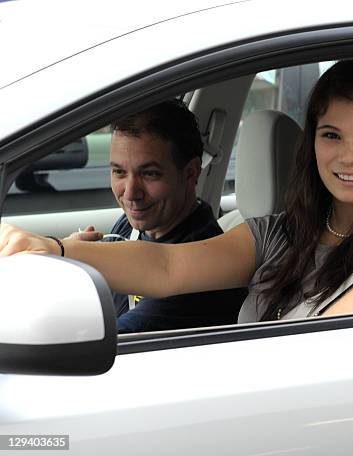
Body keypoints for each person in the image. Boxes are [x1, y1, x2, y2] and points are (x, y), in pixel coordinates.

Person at [0, 60, 353, 322]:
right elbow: (168, 266)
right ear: (311, 143)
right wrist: (57, 249)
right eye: (331, 135)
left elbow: (326, 349)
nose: (348, 157)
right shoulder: (277, 235)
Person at [69, 100, 246, 332]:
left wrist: (65, 268)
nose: (130, 193)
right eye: (119, 172)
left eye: (150, 174)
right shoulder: (130, 227)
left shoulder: (200, 271)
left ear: (191, 173)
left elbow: (103, 342)